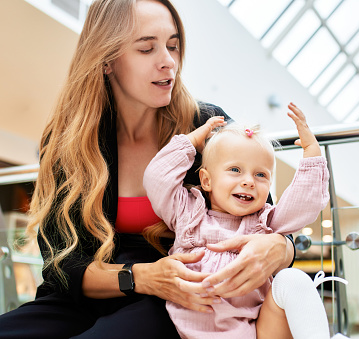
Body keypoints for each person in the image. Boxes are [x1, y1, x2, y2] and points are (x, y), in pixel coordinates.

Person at [0, 0, 296, 338]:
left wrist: (282, 247)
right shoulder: (68, 140)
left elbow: (269, 220)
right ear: (107, 60)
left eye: (172, 45)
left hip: (177, 300)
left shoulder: (207, 127)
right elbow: (61, 267)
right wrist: (140, 277)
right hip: (90, 294)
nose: (168, 61)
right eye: (146, 48)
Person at [144, 103, 347, 338]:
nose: (249, 181)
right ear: (206, 180)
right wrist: (191, 141)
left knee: (293, 279)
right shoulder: (188, 214)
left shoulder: (265, 223)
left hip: (260, 330)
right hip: (198, 334)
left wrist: (312, 151)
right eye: (235, 170)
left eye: (261, 175)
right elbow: (156, 178)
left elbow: (305, 204)